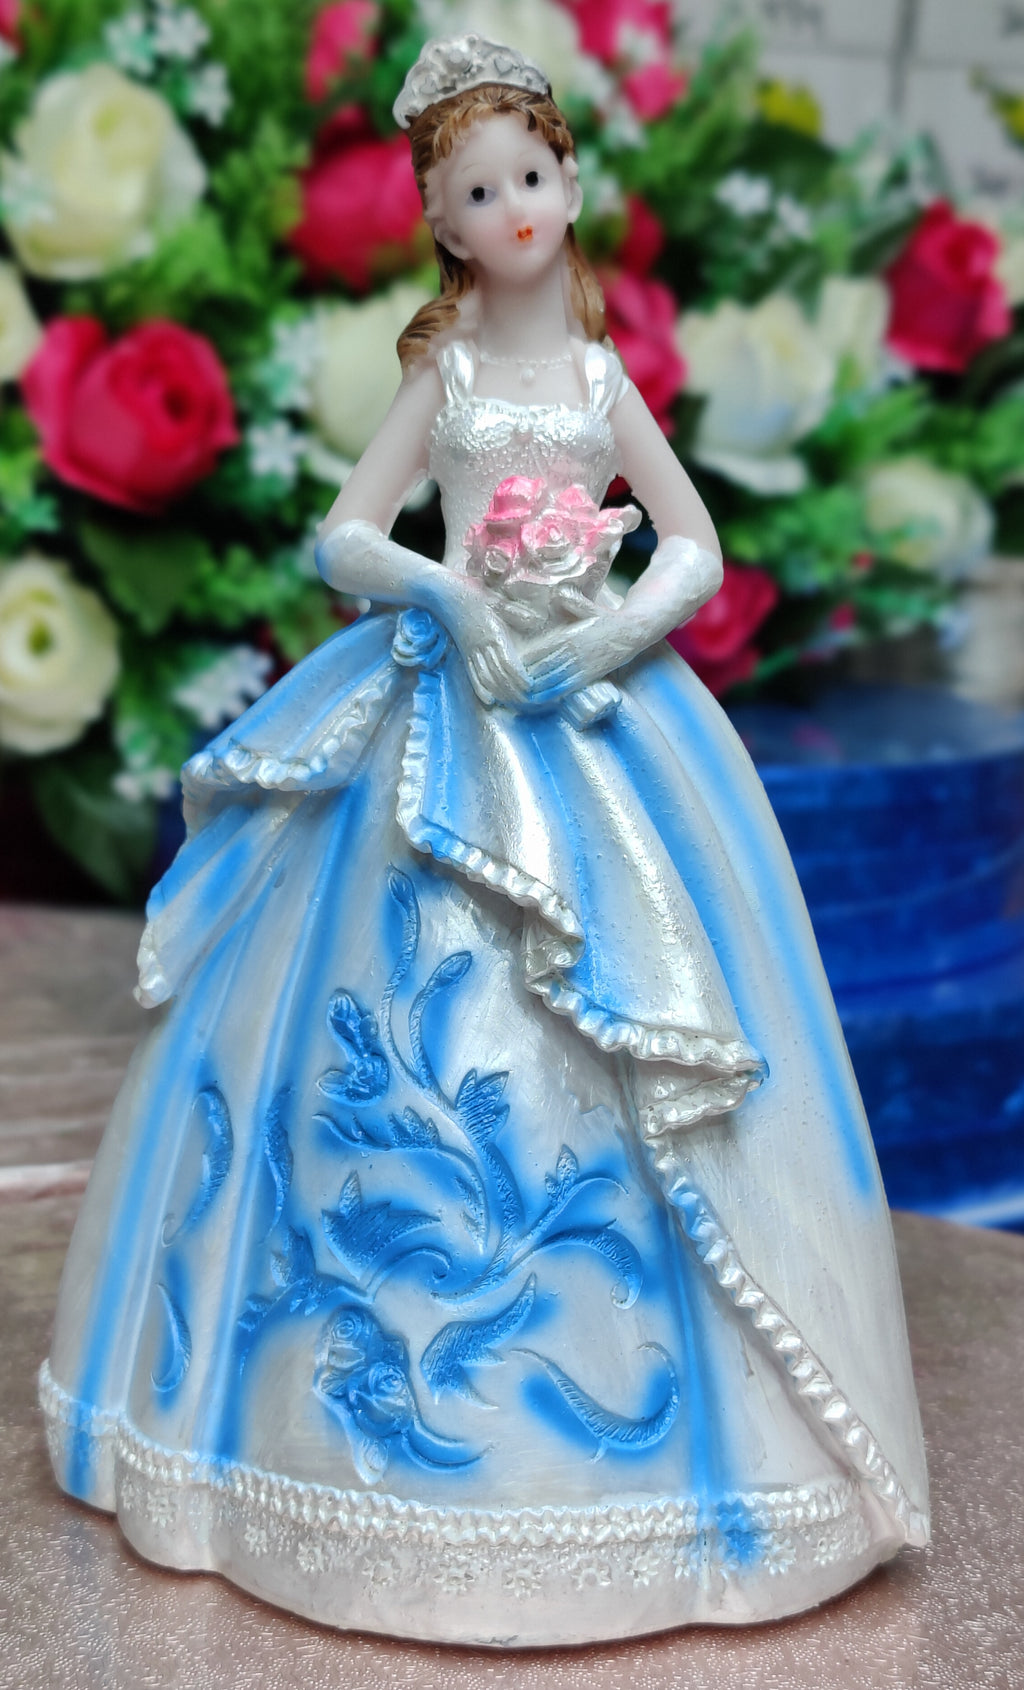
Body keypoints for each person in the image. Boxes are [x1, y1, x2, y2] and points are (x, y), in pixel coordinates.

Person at [41, 36, 928, 1648]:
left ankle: (698, 1473)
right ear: (443, 224)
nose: (511, 207)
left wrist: (606, 633)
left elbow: (692, 544)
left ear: (570, 189)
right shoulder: (446, 380)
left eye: (531, 176)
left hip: (599, 718)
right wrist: (450, 592)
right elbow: (345, 535)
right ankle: (315, 1441)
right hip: (444, 711)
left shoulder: (597, 383)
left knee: (653, 1002)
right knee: (374, 1013)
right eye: (476, 190)